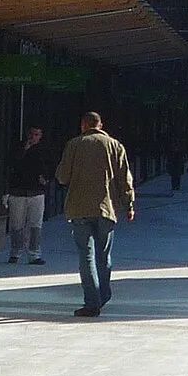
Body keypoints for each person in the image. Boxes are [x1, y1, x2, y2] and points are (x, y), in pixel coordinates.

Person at [54, 110, 135, 318]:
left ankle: (91, 302)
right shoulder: (115, 146)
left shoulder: (73, 145)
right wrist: (129, 205)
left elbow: (62, 177)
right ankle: (104, 293)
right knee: (103, 255)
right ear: (100, 125)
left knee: (86, 256)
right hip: (106, 209)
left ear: (83, 125)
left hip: (79, 209)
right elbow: (124, 179)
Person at [4, 126, 48, 265]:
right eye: (31, 134)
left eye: (37, 134)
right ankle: (15, 252)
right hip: (18, 191)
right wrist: (25, 148)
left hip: (37, 191)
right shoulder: (18, 148)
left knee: (35, 225)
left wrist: (46, 179)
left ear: (40, 136)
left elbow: (50, 166)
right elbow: (10, 163)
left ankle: (34, 253)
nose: (33, 137)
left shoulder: (44, 150)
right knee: (16, 224)